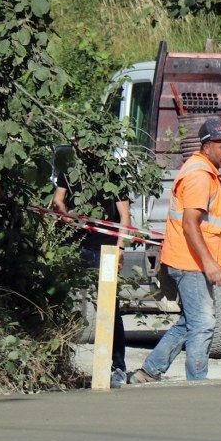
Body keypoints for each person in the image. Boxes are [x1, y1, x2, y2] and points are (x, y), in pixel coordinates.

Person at [128, 117, 221, 383]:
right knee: (203, 323)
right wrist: (209, 263)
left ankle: (149, 371)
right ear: (207, 146)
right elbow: (190, 224)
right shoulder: (200, 176)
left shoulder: (206, 171)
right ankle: (197, 383)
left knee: (190, 321)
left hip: (190, 259)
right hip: (192, 262)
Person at [52, 152, 133, 388]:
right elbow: (58, 200)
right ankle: (59, 362)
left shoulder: (107, 173)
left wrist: (119, 248)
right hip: (80, 246)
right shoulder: (73, 171)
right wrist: (66, 217)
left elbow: (124, 216)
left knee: (109, 307)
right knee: (66, 300)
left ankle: (117, 366)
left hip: (97, 249)